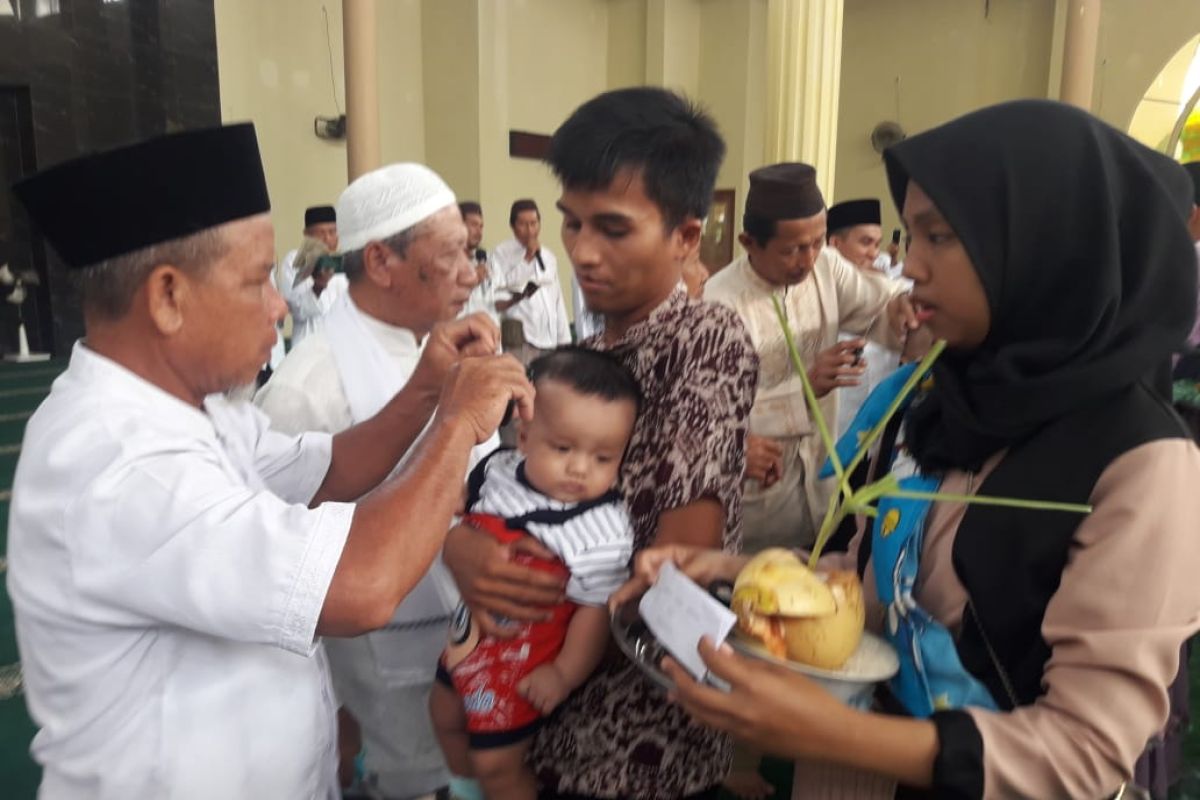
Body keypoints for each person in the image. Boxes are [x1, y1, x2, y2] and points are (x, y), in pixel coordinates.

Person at [620, 99, 1200, 800]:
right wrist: (739, 571)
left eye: (941, 237)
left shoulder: (1140, 463)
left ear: (1044, 241)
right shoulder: (935, 400)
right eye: (910, 235)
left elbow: (1084, 752)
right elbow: (878, 582)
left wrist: (831, 735)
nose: (911, 267)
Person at [5, 124, 534, 798]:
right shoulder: (117, 457)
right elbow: (362, 586)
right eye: (258, 280)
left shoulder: (199, 409)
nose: (281, 306)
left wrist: (427, 389)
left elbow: (328, 469)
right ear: (168, 296)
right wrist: (457, 422)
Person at [443, 87, 758, 799]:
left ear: (685, 236)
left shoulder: (703, 340)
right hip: (542, 709)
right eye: (572, 224)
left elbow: (676, 573)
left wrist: (530, 573)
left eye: (613, 229)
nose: (582, 251)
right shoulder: (588, 353)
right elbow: (508, 483)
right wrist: (460, 545)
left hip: (636, 741)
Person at [256, 162, 491, 799]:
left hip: (466, 640)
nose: (472, 273)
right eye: (454, 255)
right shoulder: (308, 388)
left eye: (472, 253)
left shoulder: (437, 345)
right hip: (383, 668)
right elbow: (279, 575)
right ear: (383, 262)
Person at [431, 347, 639, 800]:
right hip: (465, 644)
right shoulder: (495, 471)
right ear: (524, 437)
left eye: (604, 457)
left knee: (498, 763)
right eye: (562, 448)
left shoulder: (601, 529)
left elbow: (594, 611)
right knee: (443, 717)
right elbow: (460, 508)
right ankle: (466, 791)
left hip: (522, 667)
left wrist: (563, 674)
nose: (580, 469)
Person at [705, 164, 913, 553]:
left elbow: (881, 302)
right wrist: (804, 391)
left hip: (822, 490)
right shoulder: (719, 303)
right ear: (748, 242)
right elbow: (709, 417)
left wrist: (900, 305)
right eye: (792, 250)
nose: (808, 259)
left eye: (818, 242)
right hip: (758, 507)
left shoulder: (826, 268)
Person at [826, 198, 910, 439]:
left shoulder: (891, 285)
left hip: (877, 428)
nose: (874, 253)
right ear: (835, 243)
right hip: (832, 427)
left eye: (877, 244)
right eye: (865, 243)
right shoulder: (816, 290)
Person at [491, 199, 572, 358]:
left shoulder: (547, 256)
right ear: (512, 226)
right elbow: (500, 289)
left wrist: (564, 339)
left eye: (534, 223)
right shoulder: (501, 254)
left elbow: (556, 298)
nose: (529, 230)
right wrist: (527, 258)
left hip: (549, 339)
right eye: (523, 224)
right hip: (521, 338)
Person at [280, 204, 349, 348]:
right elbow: (297, 310)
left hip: (343, 346)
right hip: (308, 347)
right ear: (306, 235)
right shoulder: (296, 260)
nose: (327, 238)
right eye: (320, 233)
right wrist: (318, 287)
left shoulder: (346, 260)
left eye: (332, 232)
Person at [461, 202, 499, 327]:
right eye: (473, 225)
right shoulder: (444, 261)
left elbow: (496, 301)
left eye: (481, 226)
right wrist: (472, 279)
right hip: (459, 337)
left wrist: (515, 298)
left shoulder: (488, 260)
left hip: (488, 337)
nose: (479, 232)